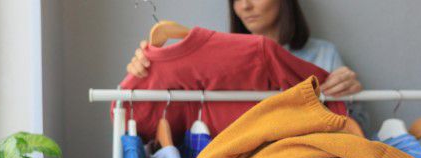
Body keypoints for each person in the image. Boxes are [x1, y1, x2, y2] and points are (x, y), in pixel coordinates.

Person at [127, 0, 363, 98]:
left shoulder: (323, 55)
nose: (246, 6)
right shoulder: (219, 61)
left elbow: (355, 127)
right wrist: (148, 68)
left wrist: (351, 94)